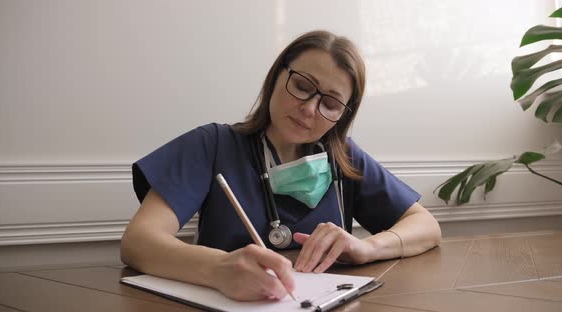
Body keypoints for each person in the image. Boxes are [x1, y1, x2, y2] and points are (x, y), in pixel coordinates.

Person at [120, 30, 441, 302]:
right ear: (276, 77)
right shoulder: (212, 144)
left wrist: (367, 248)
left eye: (330, 103)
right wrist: (219, 269)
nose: (309, 109)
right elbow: (138, 242)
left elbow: (426, 226)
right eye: (302, 86)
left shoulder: (344, 158)